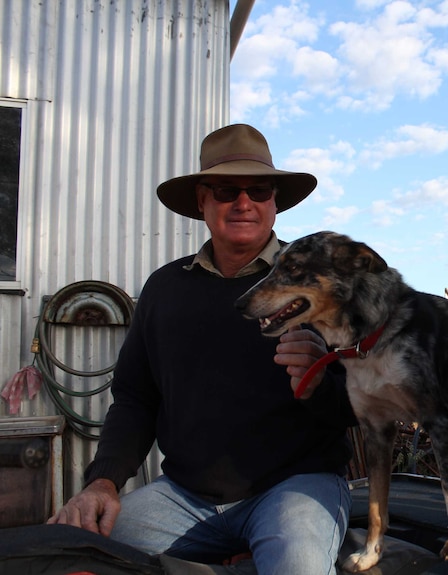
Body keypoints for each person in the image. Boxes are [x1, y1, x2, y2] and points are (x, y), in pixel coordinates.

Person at [48, 124, 357, 575]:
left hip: (294, 489)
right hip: (185, 498)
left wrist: (317, 383)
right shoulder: (164, 288)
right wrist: (103, 483)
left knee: (298, 566)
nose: (243, 202)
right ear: (202, 202)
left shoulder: (322, 287)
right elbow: (135, 398)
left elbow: (365, 403)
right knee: (74, 549)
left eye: (259, 190)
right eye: (227, 190)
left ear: (275, 203)